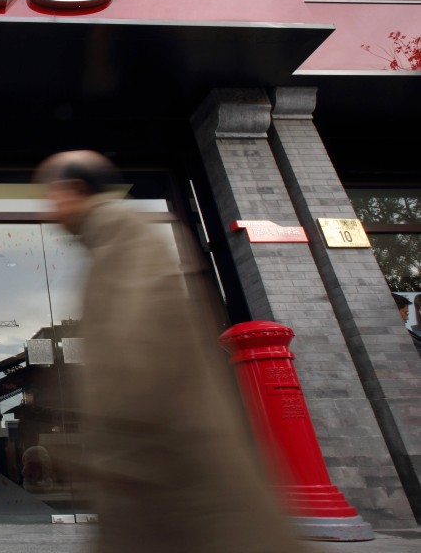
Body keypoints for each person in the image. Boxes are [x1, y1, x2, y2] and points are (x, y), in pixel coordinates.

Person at [35, 150, 308, 553]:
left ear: (74, 189)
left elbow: (135, 348)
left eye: (51, 195)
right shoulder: (111, 238)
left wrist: (112, 446)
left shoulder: (124, 233)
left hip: (163, 460)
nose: (48, 210)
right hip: (159, 460)